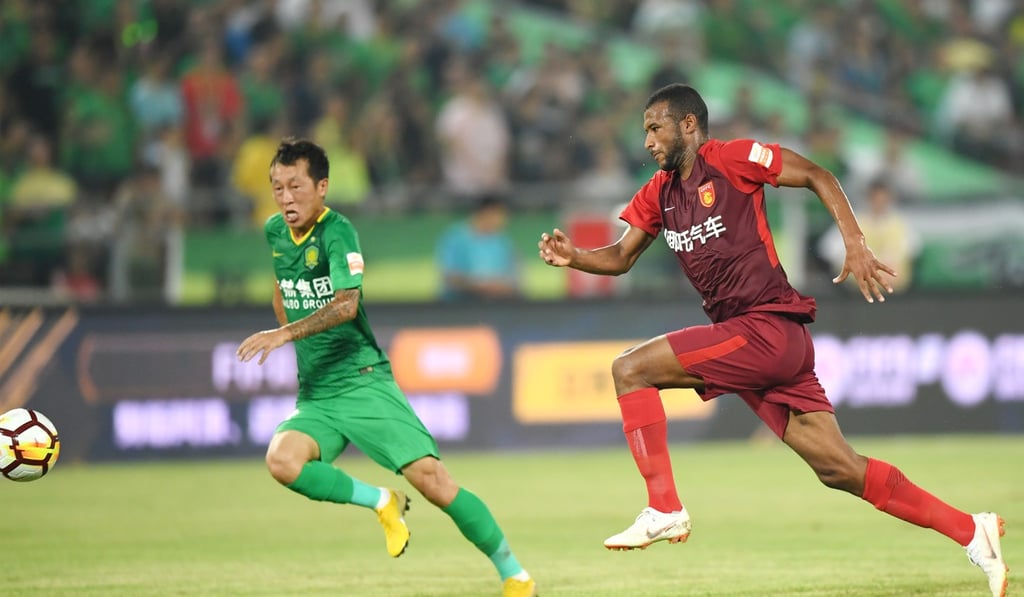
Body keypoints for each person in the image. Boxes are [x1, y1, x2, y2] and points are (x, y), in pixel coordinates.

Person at [537, 84, 1007, 597]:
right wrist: (575, 256)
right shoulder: (659, 192)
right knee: (839, 468)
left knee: (630, 369)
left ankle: (664, 507)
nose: (647, 140)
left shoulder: (734, 159)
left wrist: (854, 239)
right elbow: (623, 257)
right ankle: (972, 530)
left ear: (688, 124)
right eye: (645, 130)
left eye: (655, 127)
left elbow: (816, 174)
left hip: (766, 328)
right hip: (757, 342)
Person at [236, 139, 536, 597]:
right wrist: (288, 328)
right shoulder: (275, 231)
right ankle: (382, 501)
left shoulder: (338, 232)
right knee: (282, 461)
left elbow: (346, 305)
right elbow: (283, 288)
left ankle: (515, 574)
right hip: (317, 391)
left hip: (362, 381)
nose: (285, 197)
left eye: (295, 186)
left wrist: (285, 335)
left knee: (434, 482)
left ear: (322, 187)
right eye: (277, 187)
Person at [436, 195, 521, 301]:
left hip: (496, 301)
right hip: (460, 302)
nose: (504, 220)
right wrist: (479, 286)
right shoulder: (456, 238)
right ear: (486, 212)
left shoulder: (503, 242)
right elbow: (450, 276)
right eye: (500, 215)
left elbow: (514, 278)